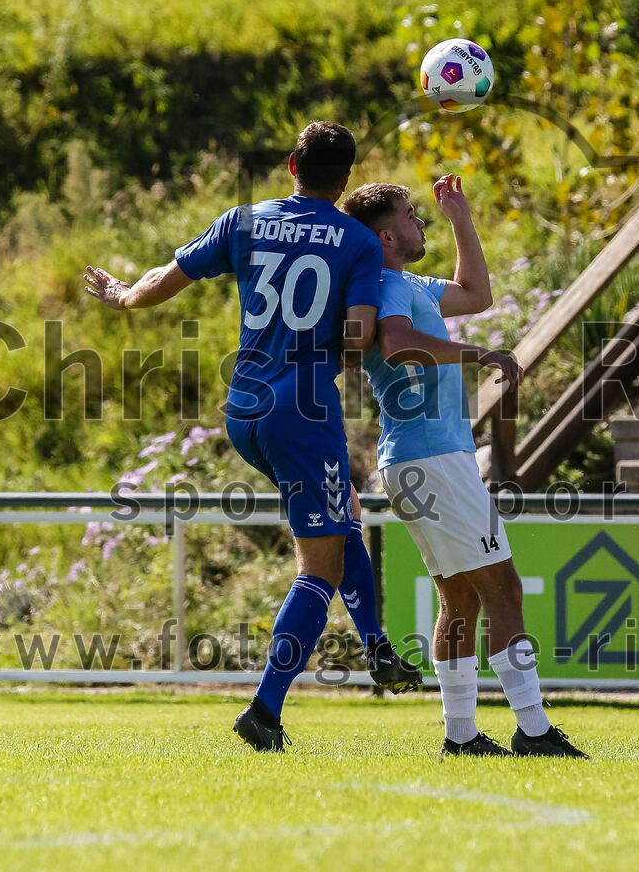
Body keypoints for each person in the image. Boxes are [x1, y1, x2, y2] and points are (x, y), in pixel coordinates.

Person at [83, 121, 420, 753]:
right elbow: (354, 339)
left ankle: (377, 648)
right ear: (345, 179)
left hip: (245, 409)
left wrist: (124, 296)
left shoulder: (244, 220)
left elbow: (168, 276)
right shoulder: (357, 241)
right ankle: (265, 709)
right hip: (305, 412)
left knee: (341, 517)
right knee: (318, 568)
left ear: (292, 164)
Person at [342, 175, 589, 759]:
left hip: (419, 461)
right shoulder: (386, 285)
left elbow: (476, 295)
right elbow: (399, 345)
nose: (417, 220)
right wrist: (481, 354)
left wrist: (460, 218)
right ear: (385, 234)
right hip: (431, 460)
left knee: (462, 601)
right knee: (504, 589)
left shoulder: (405, 282)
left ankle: (461, 736)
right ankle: (533, 729)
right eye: (410, 214)